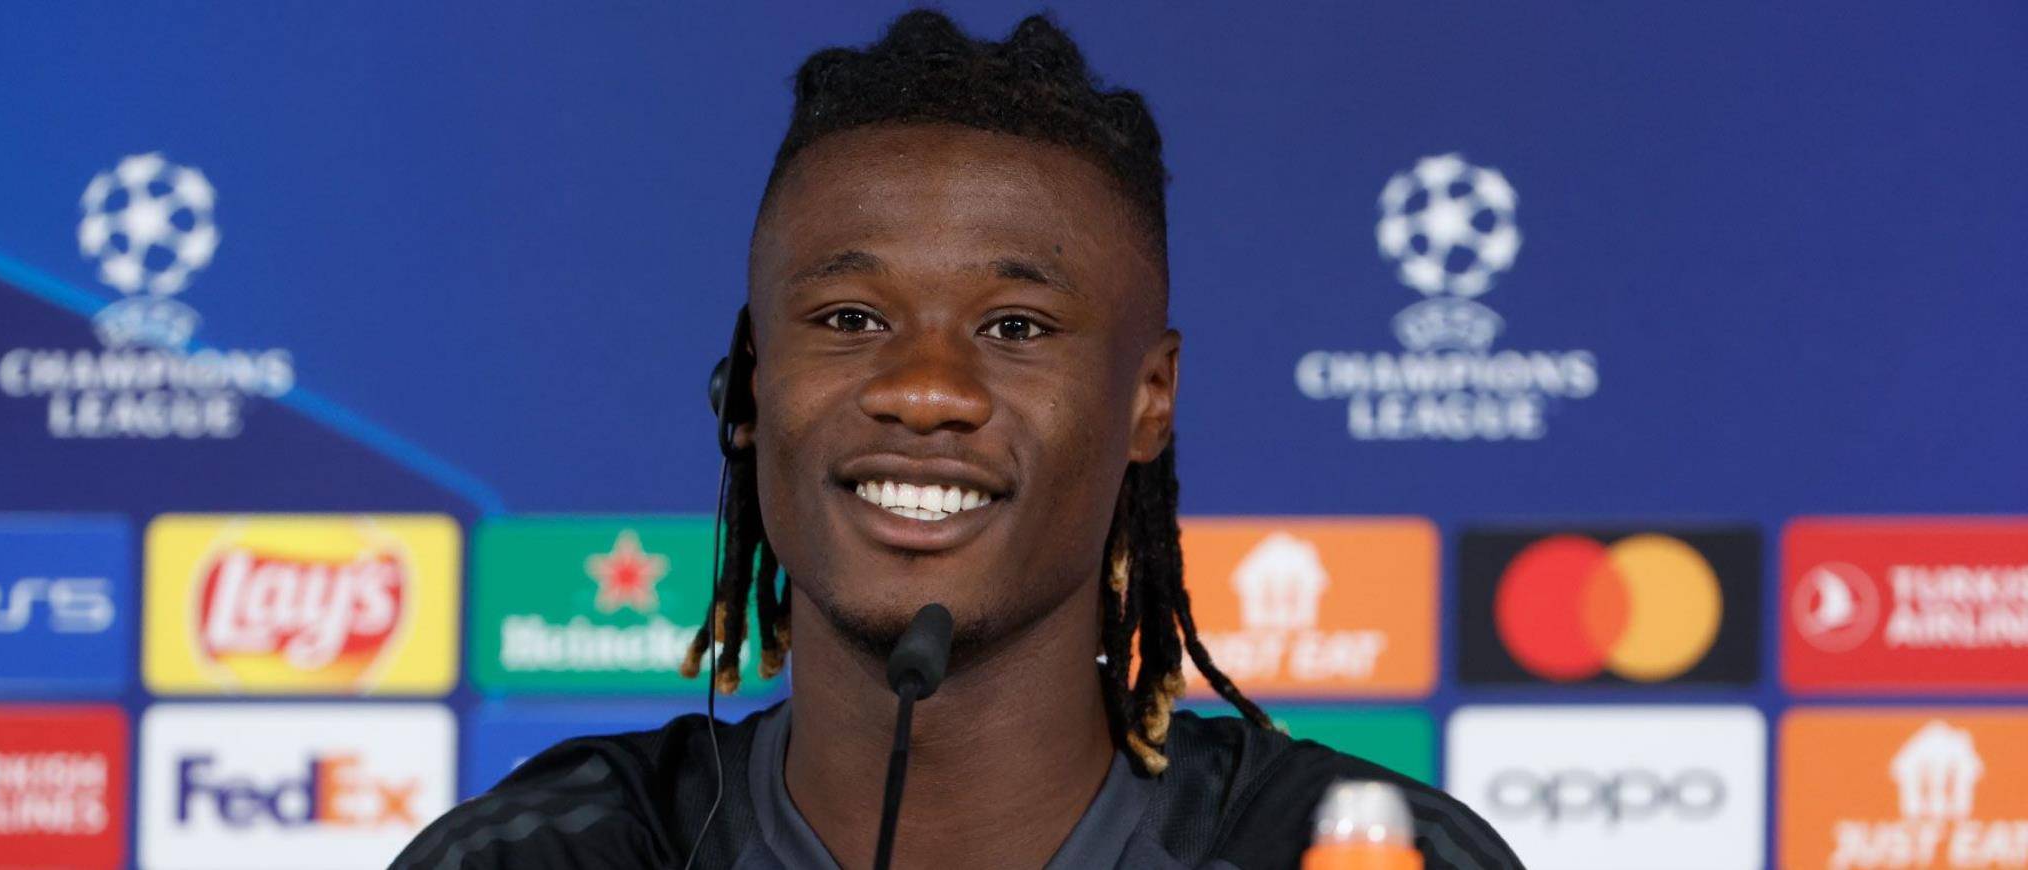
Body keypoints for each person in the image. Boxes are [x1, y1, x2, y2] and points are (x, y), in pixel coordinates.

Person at [394, 11, 1520, 869]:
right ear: (750, 381)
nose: (925, 391)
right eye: (850, 320)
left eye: (1015, 328)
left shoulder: (1352, 854)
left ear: (1149, 399)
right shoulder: (550, 854)